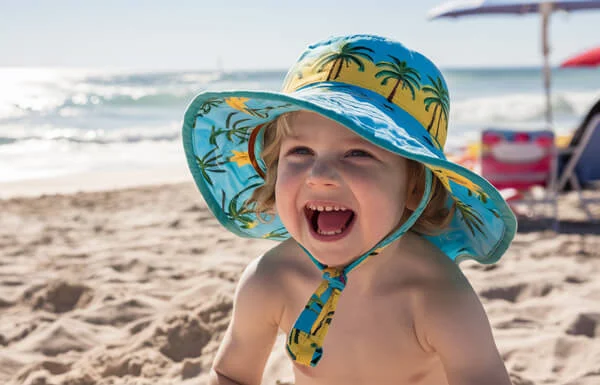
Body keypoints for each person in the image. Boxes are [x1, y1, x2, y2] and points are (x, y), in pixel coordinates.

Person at [182, 34, 517, 385]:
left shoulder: (438, 296)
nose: (320, 176)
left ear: (413, 189)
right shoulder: (270, 279)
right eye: (301, 152)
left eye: (358, 154)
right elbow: (231, 374)